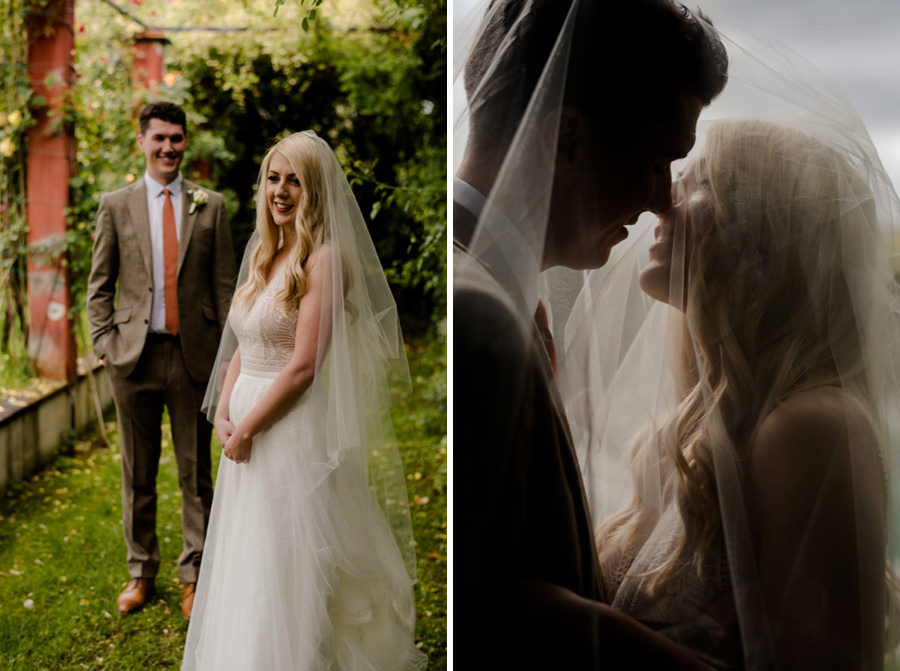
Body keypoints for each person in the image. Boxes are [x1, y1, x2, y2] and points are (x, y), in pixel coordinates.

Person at [563, 117, 900, 669]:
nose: (663, 200)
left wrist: (580, 628)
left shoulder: (810, 427)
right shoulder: (677, 435)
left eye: (703, 183)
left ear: (767, 234)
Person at [453, 0, 728, 667]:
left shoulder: (505, 294)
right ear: (567, 140)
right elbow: (487, 610)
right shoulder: (475, 315)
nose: (666, 198)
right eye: (660, 159)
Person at [181, 131, 426, 671]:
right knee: (248, 554)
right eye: (274, 178)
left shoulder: (325, 259)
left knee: (287, 558)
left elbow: (304, 368)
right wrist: (224, 412)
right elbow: (244, 342)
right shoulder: (266, 251)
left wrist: (246, 430)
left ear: (316, 190)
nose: (281, 191)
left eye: (295, 181)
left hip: (288, 429)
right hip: (244, 420)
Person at [87, 101, 236, 620]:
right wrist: (104, 343)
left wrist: (226, 358)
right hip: (132, 358)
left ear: (184, 142)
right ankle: (140, 571)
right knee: (138, 471)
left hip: (194, 357)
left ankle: (195, 574)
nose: (169, 147)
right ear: (143, 142)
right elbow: (99, 285)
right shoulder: (116, 203)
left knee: (196, 473)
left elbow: (224, 287)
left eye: (177, 138)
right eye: (160, 138)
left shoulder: (210, 206)